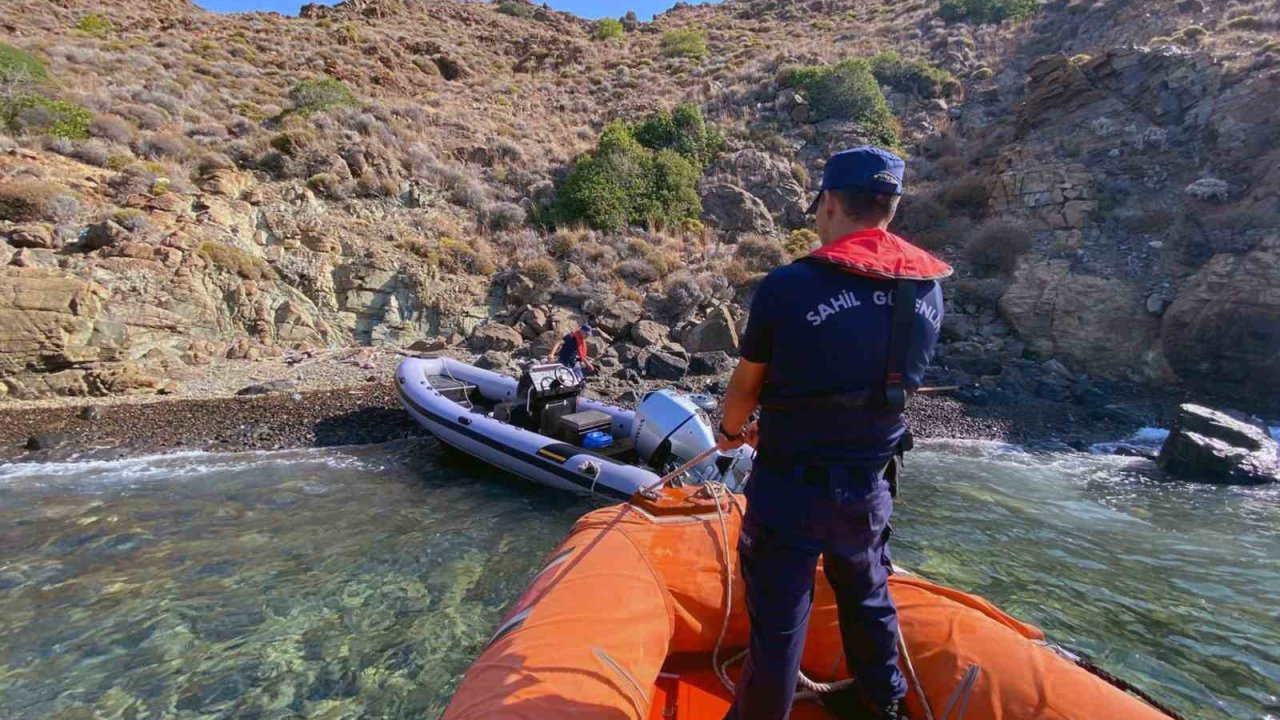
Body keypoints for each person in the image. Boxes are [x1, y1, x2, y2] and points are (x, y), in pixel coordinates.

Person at [716, 146, 950, 720]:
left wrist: (729, 431)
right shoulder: (926, 289)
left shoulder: (789, 286)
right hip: (870, 485)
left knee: (779, 622)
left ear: (827, 204)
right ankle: (883, 706)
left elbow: (747, 384)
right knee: (867, 594)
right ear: (889, 209)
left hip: (790, 486)